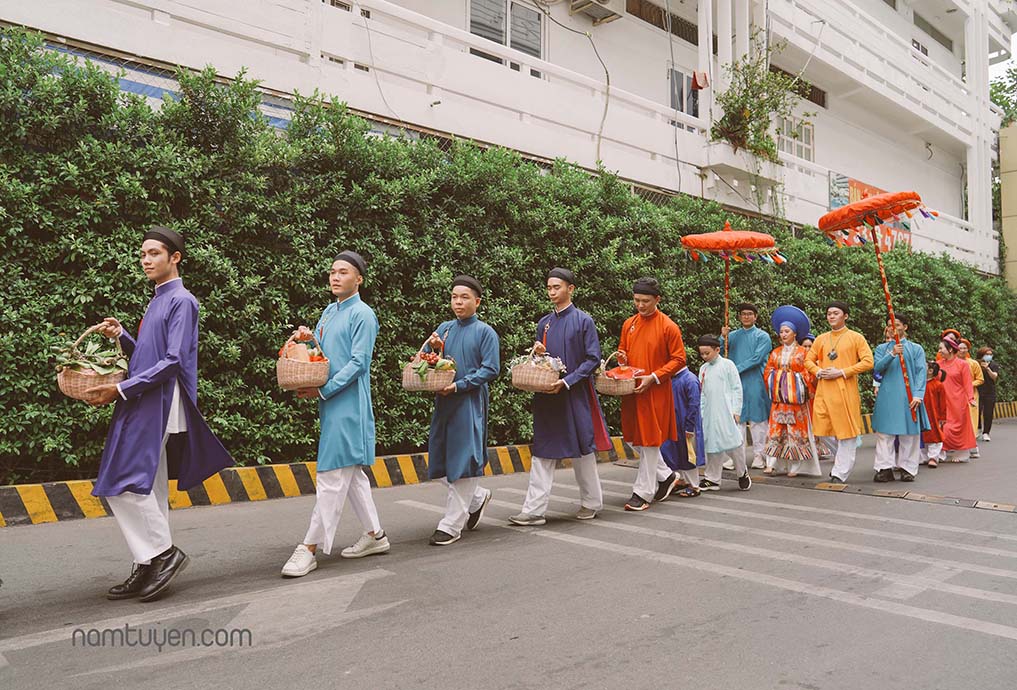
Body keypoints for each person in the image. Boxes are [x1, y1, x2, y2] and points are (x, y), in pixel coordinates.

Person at [86, 226, 233, 602]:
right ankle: (148, 560)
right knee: (146, 485)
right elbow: (145, 357)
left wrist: (119, 388)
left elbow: (172, 362)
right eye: (143, 255)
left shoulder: (182, 300)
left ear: (175, 258)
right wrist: (122, 335)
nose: (146, 260)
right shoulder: (157, 301)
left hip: (162, 403)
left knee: (124, 482)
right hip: (147, 400)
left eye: (154, 253)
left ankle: (163, 554)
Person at [281, 251, 389, 578]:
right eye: (332, 272)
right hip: (330, 403)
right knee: (351, 474)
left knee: (331, 477)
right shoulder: (329, 312)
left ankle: (309, 548)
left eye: (343, 272)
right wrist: (307, 340)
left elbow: (359, 363)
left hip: (349, 404)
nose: (335, 277)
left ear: (359, 279)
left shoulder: (364, 314)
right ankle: (375, 535)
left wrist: (324, 390)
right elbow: (322, 356)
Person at [509, 268, 610, 526]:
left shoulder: (583, 321)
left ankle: (591, 502)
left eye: (557, 287)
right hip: (546, 396)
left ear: (571, 289)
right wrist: (540, 352)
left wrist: (566, 382)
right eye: (549, 287)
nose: (552, 292)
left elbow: (592, 360)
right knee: (542, 451)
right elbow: (543, 363)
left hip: (573, 395)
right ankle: (533, 510)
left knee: (582, 450)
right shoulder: (544, 323)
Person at [424, 275, 500, 544]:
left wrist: (459, 386)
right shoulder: (444, 329)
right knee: (441, 461)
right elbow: (425, 360)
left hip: (469, 403)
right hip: (444, 403)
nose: (458, 302)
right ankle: (477, 498)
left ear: (477, 301)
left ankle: (451, 525)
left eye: (464, 297)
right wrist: (432, 348)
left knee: (464, 460)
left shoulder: (485, 332)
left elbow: (491, 369)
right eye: (454, 296)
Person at [617, 278, 687, 512]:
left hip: (655, 390)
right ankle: (666, 476)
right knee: (631, 437)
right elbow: (623, 350)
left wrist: (655, 377)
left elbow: (679, 359)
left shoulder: (668, 326)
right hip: (632, 389)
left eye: (645, 301)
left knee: (648, 442)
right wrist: (622, 359)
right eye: (636, 300)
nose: (640, 305)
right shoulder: (629, 324)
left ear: (657, 299)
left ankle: (642, 492)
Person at [804, 301, 873, 484]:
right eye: (829, 313)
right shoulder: (821, 339)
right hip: (824, 390)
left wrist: (842, 372)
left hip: (845, 391)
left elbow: (868, 361)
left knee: (847, 434)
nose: (832, 316)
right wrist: (818, 371)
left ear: (845, 316)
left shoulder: (856, 337)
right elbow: (808, 360)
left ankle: (840, 473)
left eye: (836, 313)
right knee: (822, 430)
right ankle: (842, 458)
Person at [762, 306, 820, 477]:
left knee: (795, 432)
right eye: (781, 331)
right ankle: (772, 463)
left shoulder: (803, 353)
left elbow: (808, 373)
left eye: (787, 331)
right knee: (776, 431)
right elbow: (767, 372)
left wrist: (791, 380)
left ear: (795, 333)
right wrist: (782, 378)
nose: (783, 334)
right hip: (780, 401)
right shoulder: (775, 352)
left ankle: (796, 465)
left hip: (796, 402)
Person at [870, 314, 929, 483]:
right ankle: (884, 468)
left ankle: (907, 468)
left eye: (896, 324)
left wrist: (918, 394)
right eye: (889, 325)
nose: (892, 328)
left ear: (905, 327)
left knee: (909, 434)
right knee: (884, 435)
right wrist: (892, 353)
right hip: (887, 396)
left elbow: (920, 373)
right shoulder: (882, 348)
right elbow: (877, 369)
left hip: (909, 397)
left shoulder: (916, 349)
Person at [697, 335, 751, 492]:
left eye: (707, 353)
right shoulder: (703, 369)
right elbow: (702, 393)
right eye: (702, 354)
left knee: (734, 444)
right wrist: (701, 412)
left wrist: (736, 410)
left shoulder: (728, 365)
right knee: (711, 445)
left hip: (726, 411)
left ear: (717, 350)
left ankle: (742, 473)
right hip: (709, 412)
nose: (704, 357)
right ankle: (712, 478)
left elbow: (736, 388)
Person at [722, 303, 772, 470]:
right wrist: (723, 338)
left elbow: (757, 358)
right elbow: (720, 351)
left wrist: (735, 369)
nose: (746, 316)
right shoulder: (733, 336)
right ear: (739, 316)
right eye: (743, 314)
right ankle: (737, 455)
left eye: (750, 314)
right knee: (737, 419)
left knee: (758, 419)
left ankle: (760, 455)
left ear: (755, 317)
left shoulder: (762, 336)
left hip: (755, 381)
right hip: (736, 383)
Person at [660, 365, 706, 497]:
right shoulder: (674, 379)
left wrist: (689, 427)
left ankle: (695, 486)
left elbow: (694, 404)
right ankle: (681, 481)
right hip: (675, 423)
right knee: (676, 453)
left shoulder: (690, 380)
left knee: (688, 455)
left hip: (686, 424)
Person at [938, 335, 978, 462]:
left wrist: (970, 398)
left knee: (958, 427)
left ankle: (962, 452)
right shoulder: (938, 365)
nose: (939, 351)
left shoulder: (962, 364)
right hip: (942, 400)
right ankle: (940, 452)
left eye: (941, 348)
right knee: (943, 426)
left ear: (950, 349)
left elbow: (967, 383)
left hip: (958, 400)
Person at [958, 339, 984, 458]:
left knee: (971, 419)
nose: (962, 350)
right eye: (960, 348)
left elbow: (980, 379)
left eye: (965, 348)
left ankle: (973, 447)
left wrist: (969, 385)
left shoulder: (973, 363)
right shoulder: (953, 362)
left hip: (971, 395)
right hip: (956, 395)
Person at [921, 361, 948, 468]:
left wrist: (942, 417)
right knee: (921, 436)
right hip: (921, 414)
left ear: (930, 371)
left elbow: (943, 403)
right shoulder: (919, 383)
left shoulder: (938, 385)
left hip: (934, 415)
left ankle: (933, 457)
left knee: (935, 436)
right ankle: (922, 457)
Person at [976, 346, 1000, 442]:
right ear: (981, 355)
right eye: (987, 354)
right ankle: (978, 429)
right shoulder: (976, 364)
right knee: (977, 411)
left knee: (988, 413)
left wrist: (988, 369)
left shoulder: (994, 365)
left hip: (990, 392)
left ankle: (986, 432)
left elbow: (994, 377)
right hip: (978, 391)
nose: (989, 356)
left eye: (990, 354)